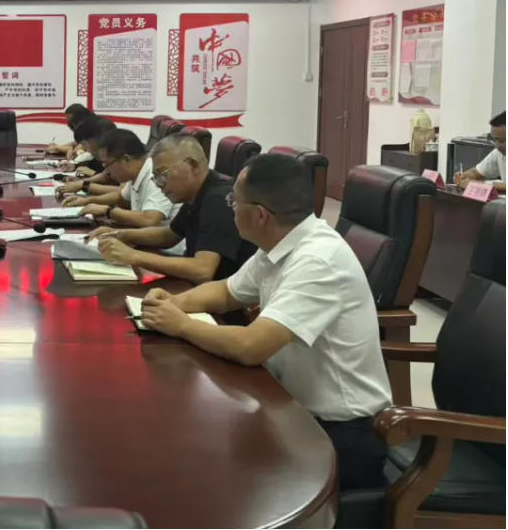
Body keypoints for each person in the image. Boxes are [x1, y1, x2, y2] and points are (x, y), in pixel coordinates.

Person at [139, 154, 392, 490]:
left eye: (234, 201)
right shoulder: (280, 242)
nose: (230, 208)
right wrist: (174, 303)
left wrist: (181, 325)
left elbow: (251, 346)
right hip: (289, 406)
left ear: (259, 215)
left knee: (202, 471)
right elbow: (227, 292)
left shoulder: (317, 261)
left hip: (339, 434)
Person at [89, 134, 255, 284]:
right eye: (155, 177)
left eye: (163, 174)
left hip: (222, 303)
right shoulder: (197, 193)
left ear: (192, 166)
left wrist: (133, 256)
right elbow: (169, 235)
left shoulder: (218, 199)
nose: (159, 184)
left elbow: (202, 270)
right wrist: (119, 235)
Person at [62, 128, 180, 229]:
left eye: (107, 164)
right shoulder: (137, 173)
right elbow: (121, 197)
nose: (107, 171)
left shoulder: (154, 174)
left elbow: (149, 220)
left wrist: (107, 211)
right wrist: (87, 201)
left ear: (126, 159)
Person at [454, 111, 506, 193]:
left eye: (502, 141)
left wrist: (481, 184)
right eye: (495, 140)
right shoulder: (499, 153)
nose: (497, 145)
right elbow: (476, 173)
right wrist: (464, 176)